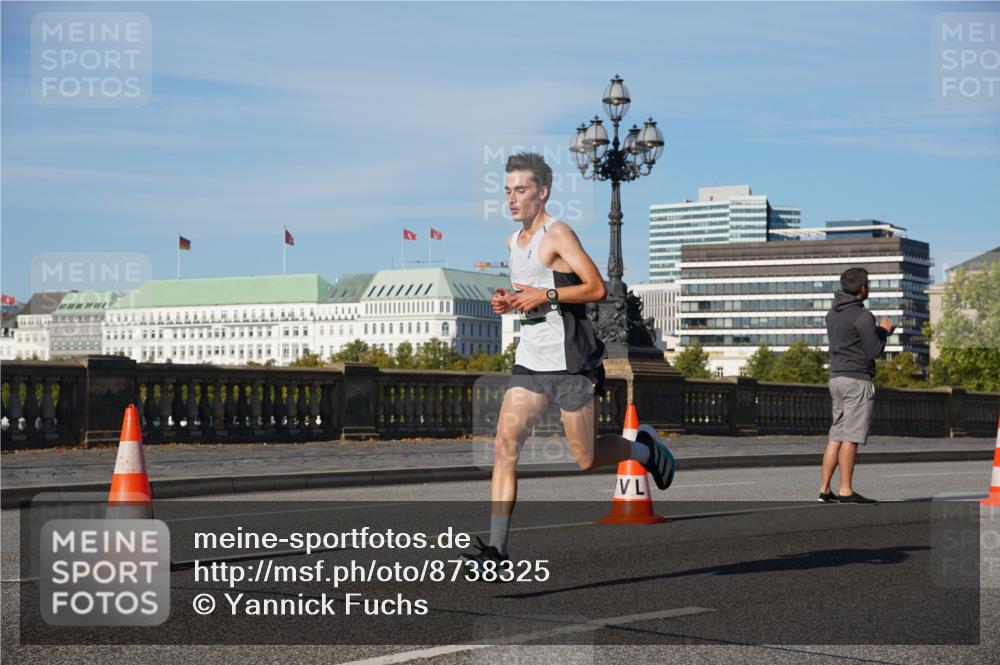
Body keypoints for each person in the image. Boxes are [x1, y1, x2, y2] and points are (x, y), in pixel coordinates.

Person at [462, 152, 675, 575]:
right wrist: (511, 303)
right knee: (504, 447)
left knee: (585, 457)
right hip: (530, 361)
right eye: (507, 191)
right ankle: (499, 551)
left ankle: (642, 448)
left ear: (542, 192)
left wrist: (548, 296)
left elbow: (596, 288)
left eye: (521, 190)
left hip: (570, 361)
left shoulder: (558, 234)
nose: (512, 198)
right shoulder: (513, 242)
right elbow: (532, 296)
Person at [819, 267, 895, 504]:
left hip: (837, 378)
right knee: (851, 436)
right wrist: (883, 332)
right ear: (863, 288)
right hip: (857, 380)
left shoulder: (832, 314)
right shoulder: (863, 316)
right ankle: (846, 491)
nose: (869, 288)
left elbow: (851, 340)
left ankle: (825, 490)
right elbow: (874, 351)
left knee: (836, 434)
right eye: (868, 284)